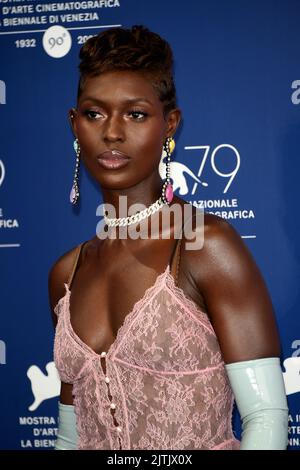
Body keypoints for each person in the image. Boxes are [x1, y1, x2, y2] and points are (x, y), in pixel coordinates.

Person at [48, 25, 288, 451]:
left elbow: (266, 419)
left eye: (136, 114)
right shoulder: (67, 273)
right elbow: (70, 436)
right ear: (74, 124)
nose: (113, 132)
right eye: (94, 113)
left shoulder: (205, 245)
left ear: (169, 123)